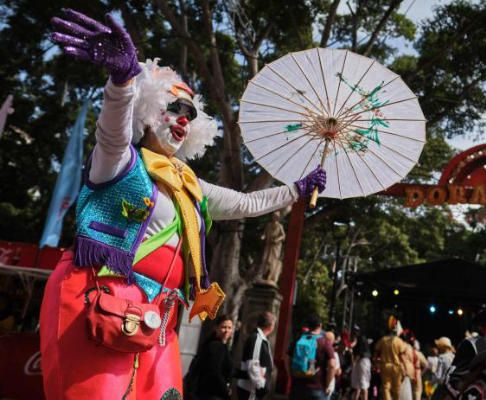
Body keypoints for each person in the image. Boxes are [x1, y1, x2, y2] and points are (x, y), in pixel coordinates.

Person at [40, 9, 327, 400]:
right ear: (147, 111)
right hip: (102, 299)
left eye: (189, 114)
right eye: (172, 108)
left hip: (160, 316)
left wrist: (296, 189)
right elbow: (111, 133)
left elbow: (246, 202)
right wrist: (122, 83)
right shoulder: (121, 162)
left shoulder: (191, 185)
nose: (180, 119)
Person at [290, 314, 337, 400]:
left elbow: (286, 357)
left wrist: (291, 373)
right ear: (320, 325)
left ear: (308, 325)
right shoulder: (324, 342)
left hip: (297, 386)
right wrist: (328, 384)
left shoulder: (299, 339)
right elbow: (332, 365)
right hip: (316, 387)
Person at [190, 315, 235, 400]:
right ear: (216, 328)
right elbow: (215, 372)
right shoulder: (216, 346)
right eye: (223, 327)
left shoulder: (220, 345)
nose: (227, 331)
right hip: (211, 394)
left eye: (229, 328)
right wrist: (226, 391)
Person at [237, 311, 276, 400]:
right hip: (251, 389)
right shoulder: (257, 339)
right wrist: (262, 386)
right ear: (271, 326)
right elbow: (253, 365)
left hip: (253, 389)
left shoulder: (260, 339)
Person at [374, 317, 411, 400]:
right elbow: (402, 357)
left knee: (386, 388)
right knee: (396, 388)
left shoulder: (383, 340)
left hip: (385, 366)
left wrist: (375, 363)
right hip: (396, 367)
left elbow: (376, 352)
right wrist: (405, 369)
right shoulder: (398, 341)